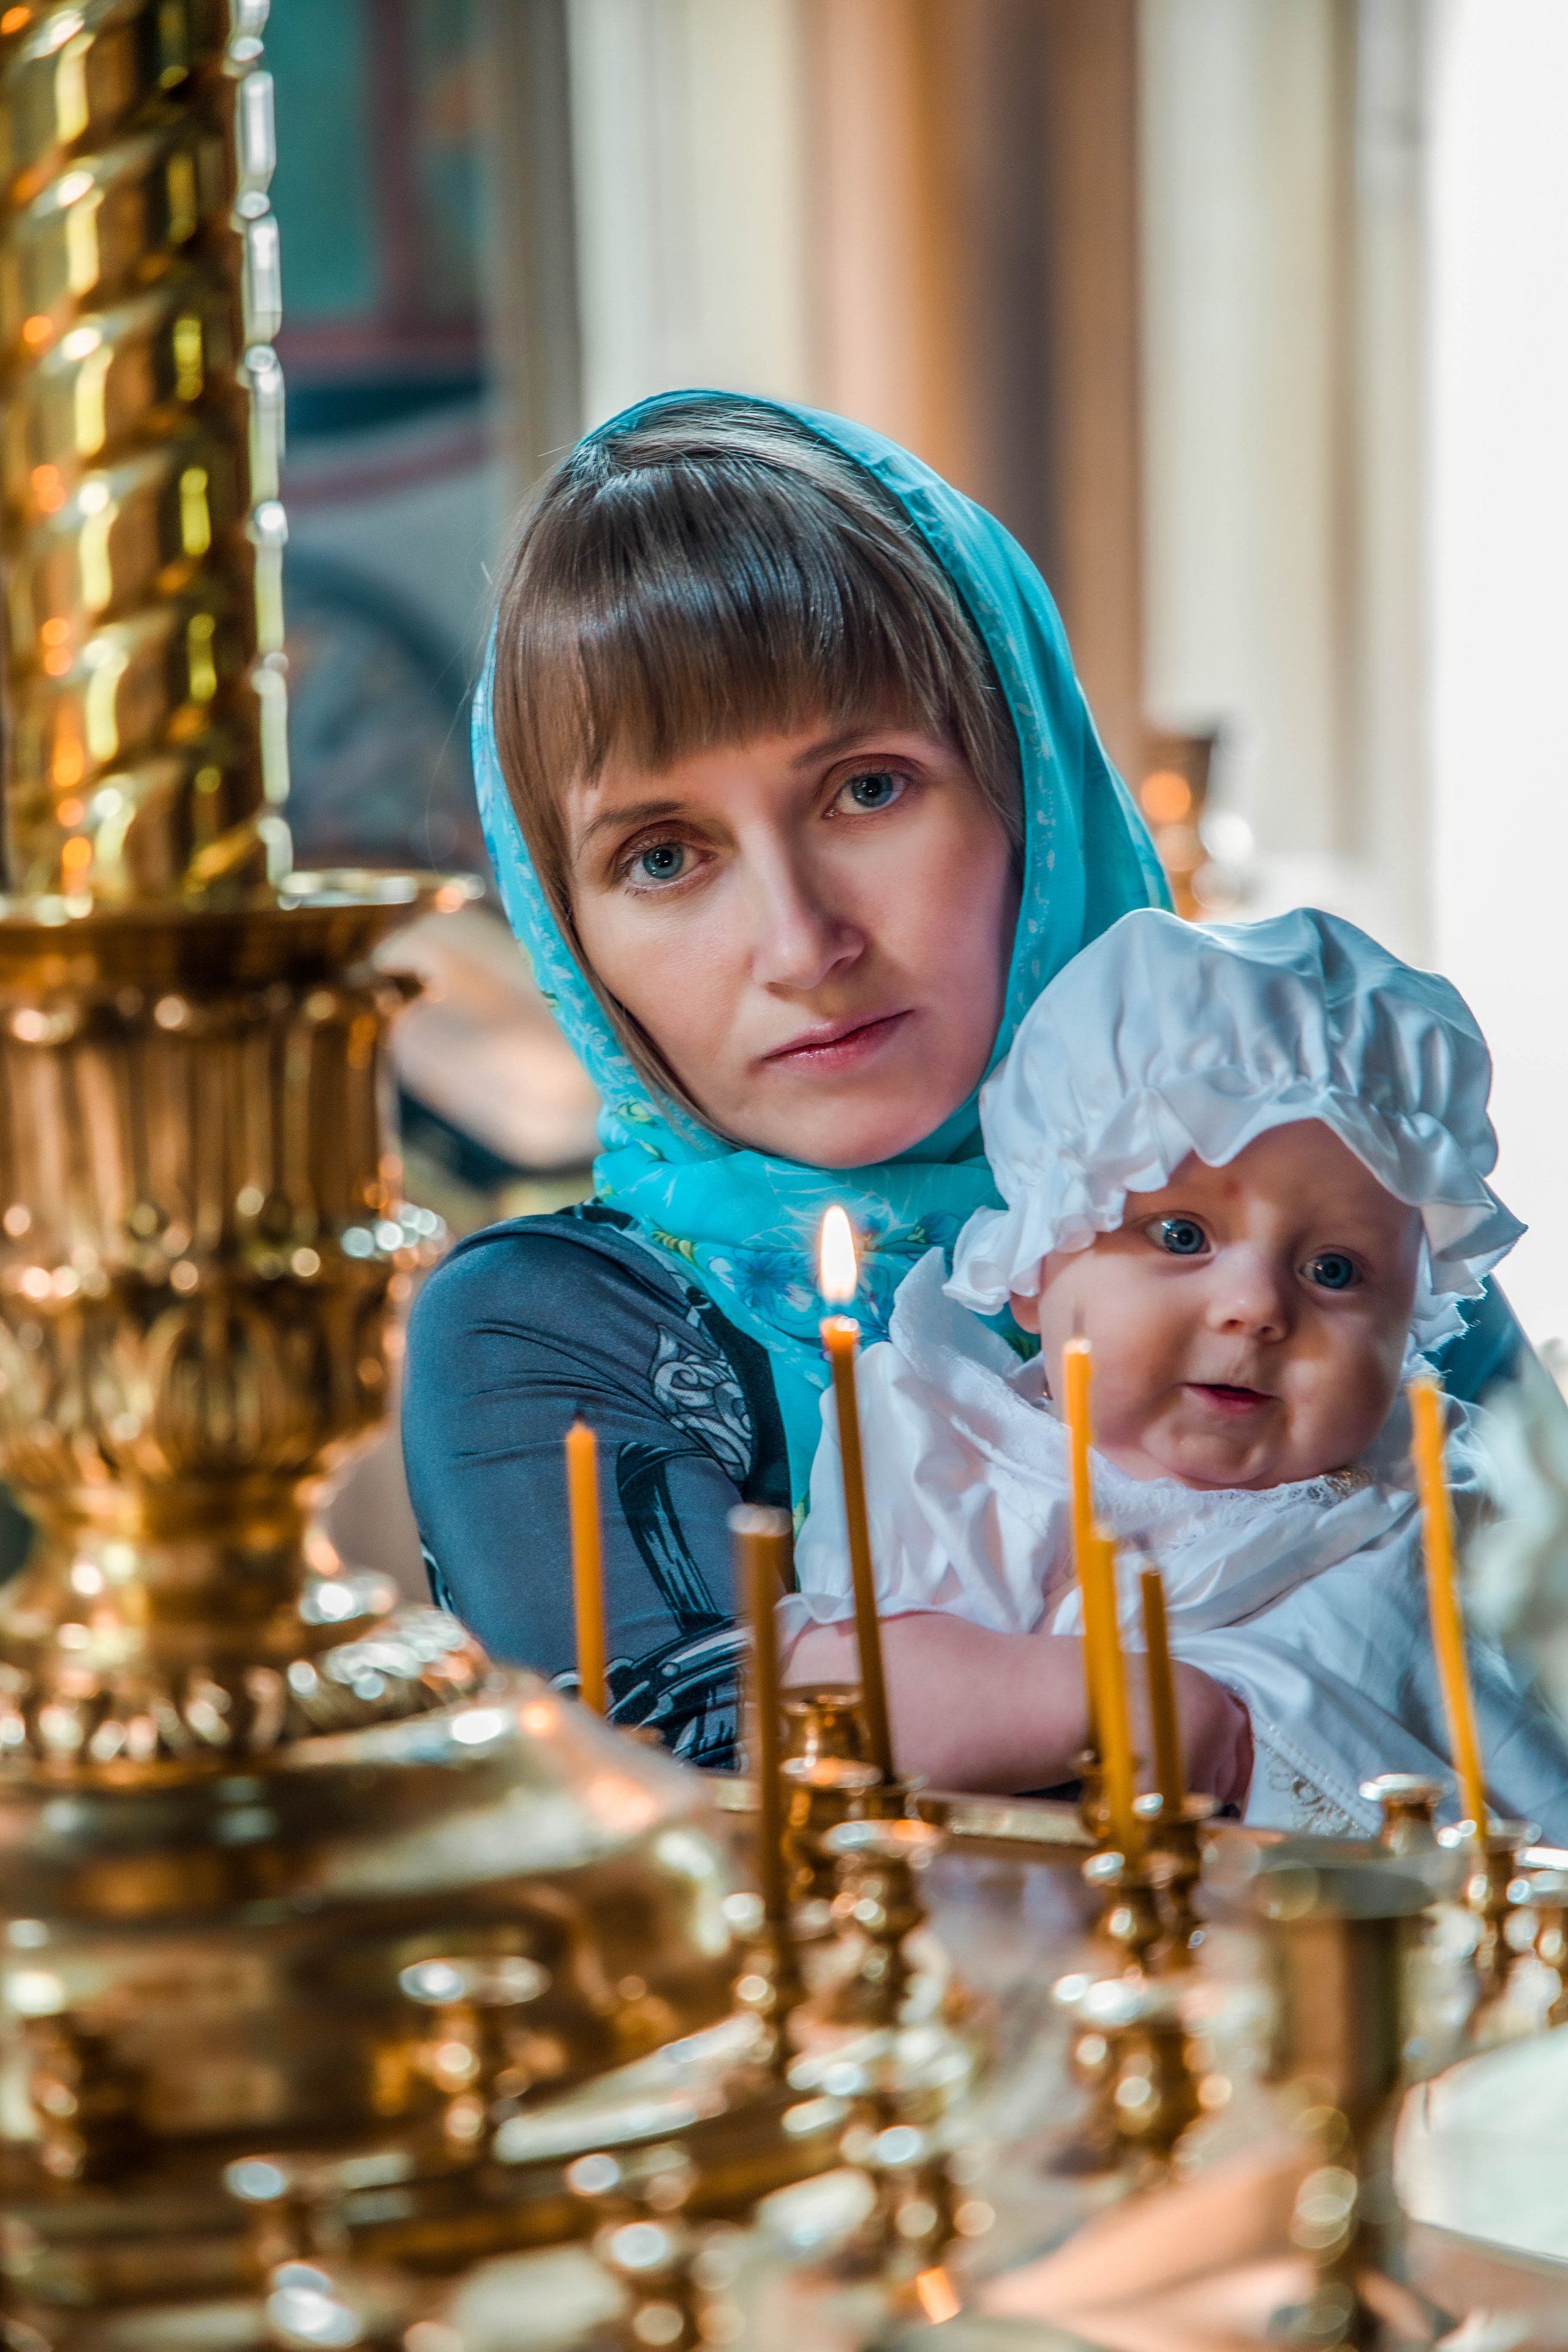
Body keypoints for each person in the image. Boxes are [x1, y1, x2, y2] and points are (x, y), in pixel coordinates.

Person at [402, 390, 1520, 1779]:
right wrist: (1172, 1715)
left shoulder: (1325, 1226)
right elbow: (652, 1771)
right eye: (662, 857)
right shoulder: (547, 1332)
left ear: (1029, 793)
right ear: (569, 935)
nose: (802, 947)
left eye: (865, 789)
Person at [790, 908, 1568, 1838]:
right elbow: (828, 1689)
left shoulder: (1437, 1508)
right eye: (1182, 1235)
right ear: (1037, 1262)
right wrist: (1156, 1710)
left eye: (1335, 1270)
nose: (1258, 1308)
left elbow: (1506, 1750)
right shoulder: (953, 1457)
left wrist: (1244, 1740)